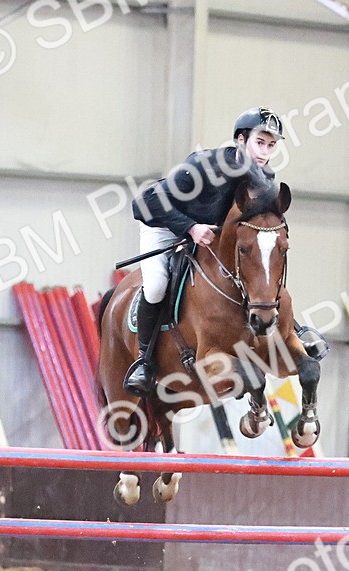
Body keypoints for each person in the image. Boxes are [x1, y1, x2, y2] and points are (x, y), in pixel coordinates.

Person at [124, 106, 327, 397]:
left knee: (257, 265)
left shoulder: (264, 180)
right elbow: (144, 203)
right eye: (260, 142)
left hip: (211, 235)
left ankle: (293, 330)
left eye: (271, 145)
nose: (265, 152)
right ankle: (144, 361)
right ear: (241, 140)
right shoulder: (204, 166)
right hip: (164, 224)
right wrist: (190, 227)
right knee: (156, 285)